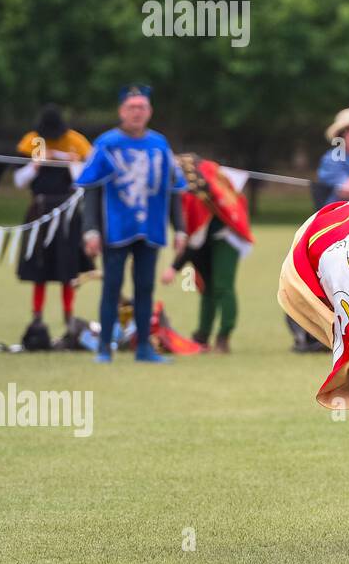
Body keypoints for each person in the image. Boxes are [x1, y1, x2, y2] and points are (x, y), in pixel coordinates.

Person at [77, 85, 187, 363]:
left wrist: (181, 228)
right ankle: (104, 347)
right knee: (112, 286)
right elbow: (91, 189)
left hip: (150, 228)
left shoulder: (159, 144)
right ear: (121, 111)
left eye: (142, 107)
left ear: (149, 111)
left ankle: (144, 348)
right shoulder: (107, 144)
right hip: (115, 229)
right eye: (131, 107)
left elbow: (172, 189)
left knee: (145, 287)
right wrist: (91, 229)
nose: (137, 112)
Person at [13, 104, 92, 348]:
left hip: (67, 215)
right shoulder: (31, 142)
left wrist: (72, 164)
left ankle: (69, 318)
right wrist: (36, 164)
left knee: (67, 269)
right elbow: (18, 181)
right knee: (40, 268)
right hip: (40, 211)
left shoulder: (75, 143)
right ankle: (37, 317)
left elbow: (84, 182)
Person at [160, 154, 254, 354]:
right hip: (202, 241)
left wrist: (173, 268)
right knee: (206, 287)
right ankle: (202, 336)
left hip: (226, 236)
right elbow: (192, 239)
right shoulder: (180, 193)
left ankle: (224, 336)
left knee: (222, 286)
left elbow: (192, 240)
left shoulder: (197, 193)